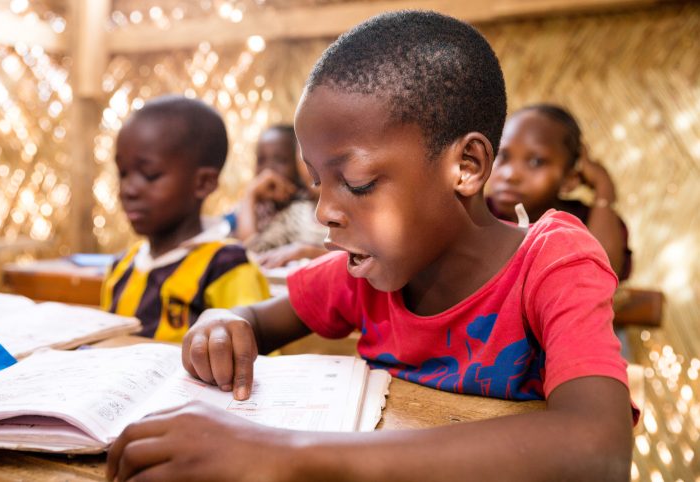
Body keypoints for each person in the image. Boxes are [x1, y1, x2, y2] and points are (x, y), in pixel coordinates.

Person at [107, 12, 635, 482]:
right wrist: (221, 323)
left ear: (466, 166)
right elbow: (257, 319)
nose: (325, 212)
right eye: (318, 181)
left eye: (357, 182)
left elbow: (597, 449)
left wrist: (289, 455)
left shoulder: (555, 263)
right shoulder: (365, 276)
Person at [100, 95, 269, 342]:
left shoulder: (226, 267)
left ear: (203, 183)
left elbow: (255, 359)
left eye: (149, 175)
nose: (128, 189)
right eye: (123, 173)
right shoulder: (121, 268)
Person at [486, 104, 632, 279]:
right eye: (503, 156)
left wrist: (604, 191)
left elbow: (600, 274)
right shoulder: (471, 214)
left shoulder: (584, 222)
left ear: (569, 179)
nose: (510, 175)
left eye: (536, 162)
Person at [230, 124, 327, 268]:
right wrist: (250, 195)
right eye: (304, 154)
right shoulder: (295, 215)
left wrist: (309, 252)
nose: (268, 171)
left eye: (280, 160)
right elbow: (251, 251)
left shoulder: (360, 213)